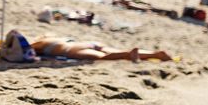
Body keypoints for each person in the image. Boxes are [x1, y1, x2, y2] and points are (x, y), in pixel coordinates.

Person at [31, 36, 172, 61]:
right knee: (111, 51)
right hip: (87, 42)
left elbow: (25, 50)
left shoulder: (40, 43)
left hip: (72, 51)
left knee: (102, 57)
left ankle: (128, 54)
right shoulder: (55, 38)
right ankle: (155, 54)